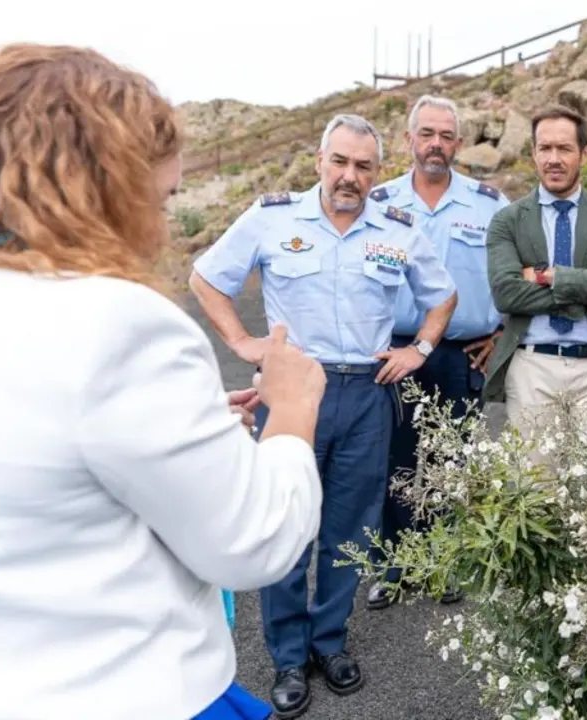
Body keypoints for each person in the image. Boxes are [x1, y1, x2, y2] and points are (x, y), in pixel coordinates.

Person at [0, 43, 326, 720]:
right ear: (110, 186)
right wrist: (290, 411)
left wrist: (191, 427)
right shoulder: (118, 323)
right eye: (164, 200)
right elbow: (254, 540)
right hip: (132, 690)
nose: (164, 228)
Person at [190, 113, 458, 719]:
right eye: (340, 162)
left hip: (366, 393)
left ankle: (329, 642)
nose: (350, 176)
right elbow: (206, 278)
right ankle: (288, 655)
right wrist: (242, 344)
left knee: (351, 525)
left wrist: (418, 350)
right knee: (285, 523)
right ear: (319, 161)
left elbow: (442, 297)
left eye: (363, 166)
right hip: (294, 394)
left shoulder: (399, 228)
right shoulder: (272, 218)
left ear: (375, 173)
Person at [364, 95, 510, 611]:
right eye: (426, 134)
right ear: (408, 140)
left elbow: (515, 275)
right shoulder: (377, 201)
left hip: (459, 354)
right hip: (396, 350)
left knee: (452, 460)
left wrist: (503, 333)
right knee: (395, 460)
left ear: (459, 144)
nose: (436, 144)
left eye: (446, 136)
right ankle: (399, 565)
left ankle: (447, 561)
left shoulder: (490, 205)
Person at [483, 105, 587, 435]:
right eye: (545, 148)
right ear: (533, 154)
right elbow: (506, 294)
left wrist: (546, 276)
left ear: (585, 154)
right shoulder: (507, 221)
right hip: (530, 369)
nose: (554, 158)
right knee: (536, 485)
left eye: (564, 148)